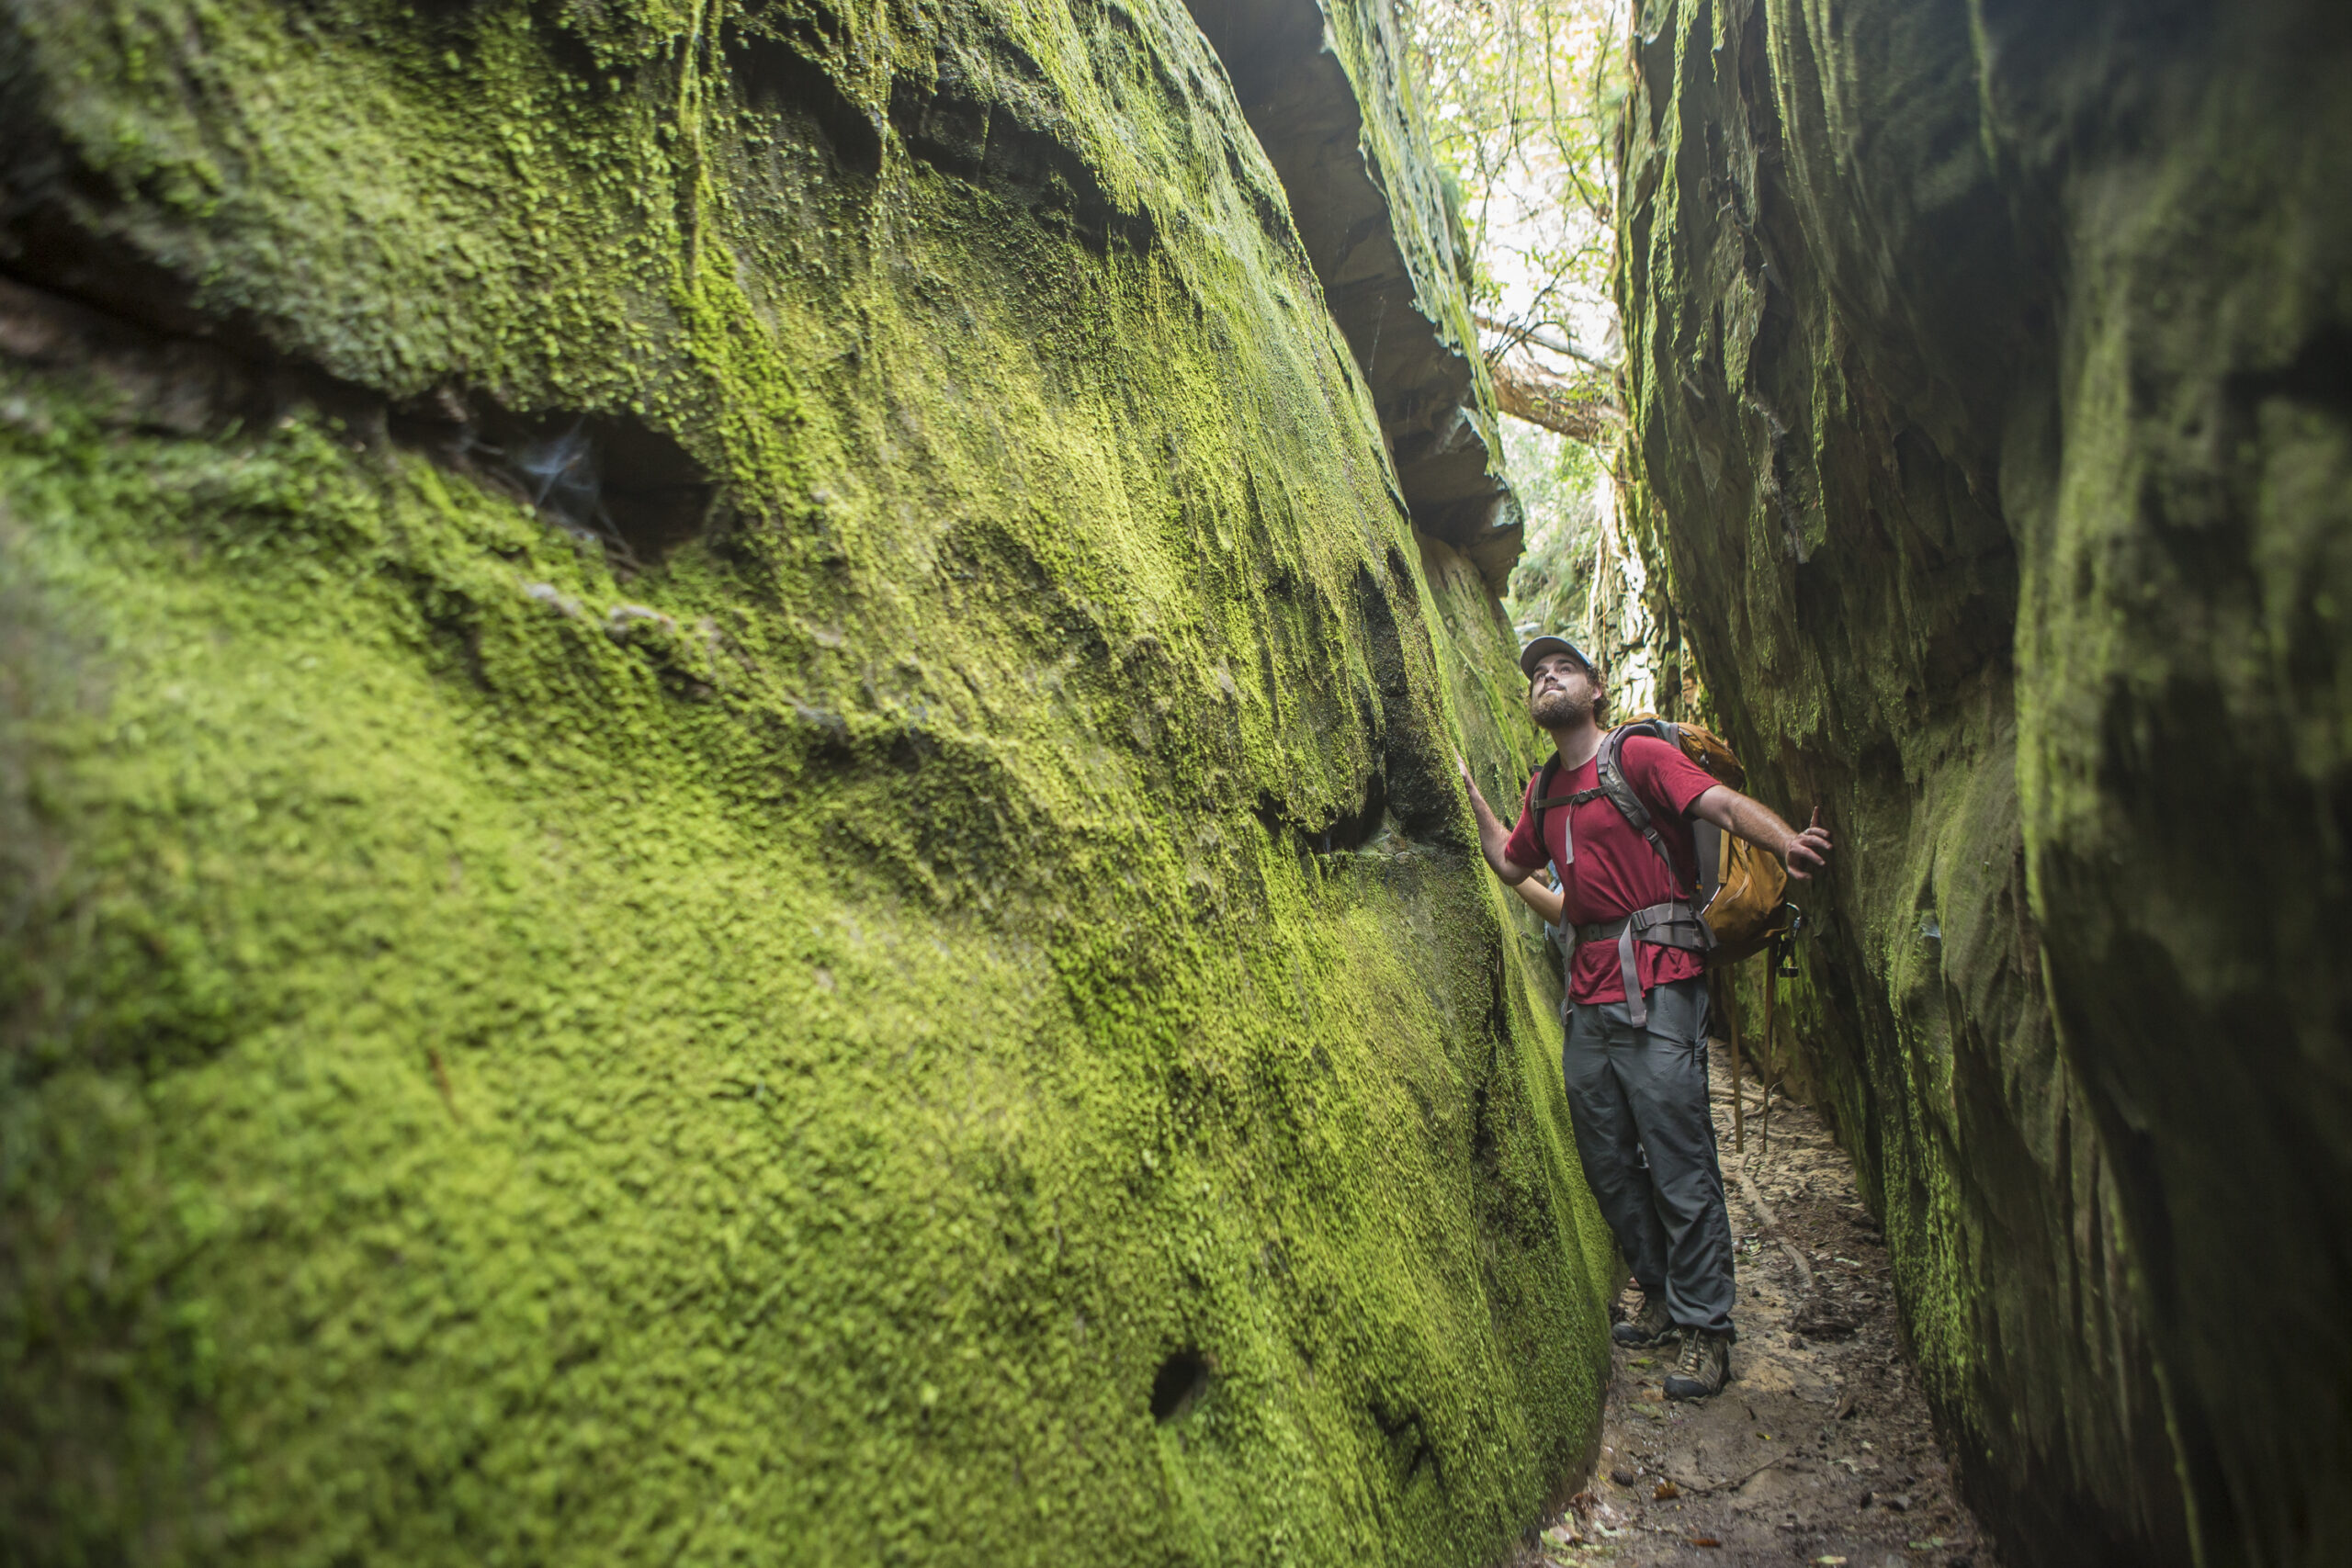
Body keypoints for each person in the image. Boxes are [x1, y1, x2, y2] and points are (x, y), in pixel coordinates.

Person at [1457, 635, 1832, 1399]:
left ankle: (1707, 1330)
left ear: (1595, 692)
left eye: (1562, 668)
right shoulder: (1544, 793)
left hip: (1660, 978)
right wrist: (1468, 795)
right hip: (1589, 996)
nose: (1546, 677)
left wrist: (1786, 840)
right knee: (1605, 1158)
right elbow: (1511, 862)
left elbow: (1718, 804)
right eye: (1536, 673)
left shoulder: (1637, 757)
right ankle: (1662, 1294)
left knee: (1678, 1155)